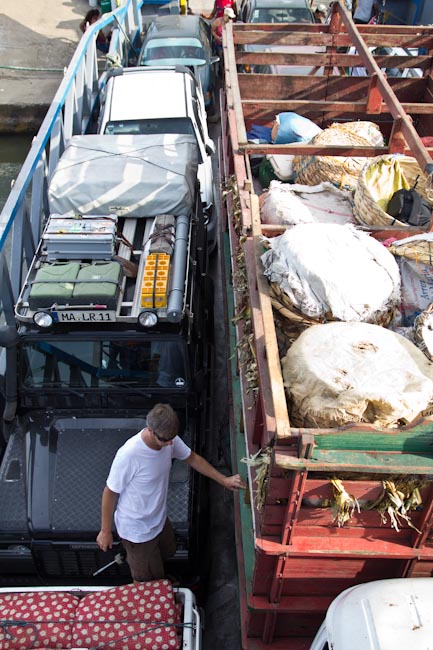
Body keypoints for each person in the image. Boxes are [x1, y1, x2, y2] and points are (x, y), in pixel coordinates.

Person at [96, 403, 246, 582]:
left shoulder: (170, 440)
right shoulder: (128, 455)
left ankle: (163, 575)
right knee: (147, 578)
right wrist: (105, 531)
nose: (169, 444)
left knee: (168, 550)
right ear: (150, 430)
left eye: (172, 439)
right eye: (165, 440)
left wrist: (223, 480)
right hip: (138, 531)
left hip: (159, 518)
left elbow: (192, 458)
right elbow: (110, 492)